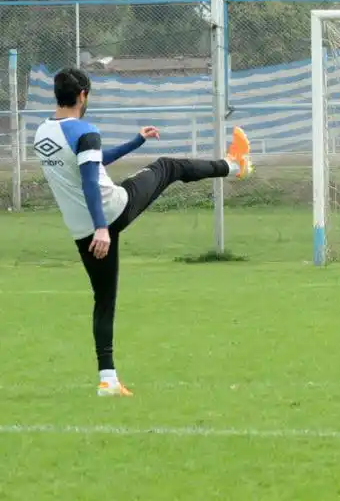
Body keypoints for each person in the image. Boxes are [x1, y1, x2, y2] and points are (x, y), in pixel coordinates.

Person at [32, 67, 254, 397]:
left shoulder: (42, 133)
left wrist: (135, 141)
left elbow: (91, 161)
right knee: (168, 166)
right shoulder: (85, 130)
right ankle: (235, 165)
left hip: (82, 230)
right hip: (110, 213)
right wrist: (103, 228)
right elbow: (91, 181)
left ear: (57, 95)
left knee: (104, 300)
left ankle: (107, 379)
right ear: (83, 96)